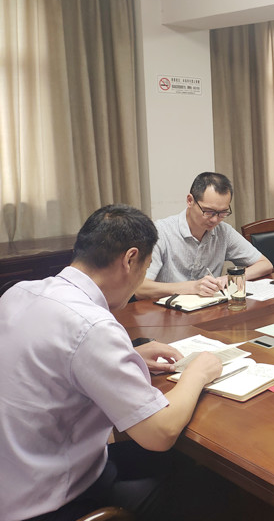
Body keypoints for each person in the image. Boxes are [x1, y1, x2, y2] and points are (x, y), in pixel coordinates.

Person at [0, 204, 229, 521]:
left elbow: (56, 360)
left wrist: (130, 355)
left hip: (15, 472)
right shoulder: (92, 326)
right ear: (130, 259)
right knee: (210, 484)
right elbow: (159, 433)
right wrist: (197, 372)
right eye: (145, 269)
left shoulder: (19, 292)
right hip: (51, 500)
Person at [136, 172, 273, 299]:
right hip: (166, 311)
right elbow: (140, 288)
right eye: (208, 211)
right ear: (190, 201)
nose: (215, 219)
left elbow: (265, 264)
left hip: (209, 309)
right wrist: (191, 287)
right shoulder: (160, 232)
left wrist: (230, 278)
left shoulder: (223, 231)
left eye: (222, 212)